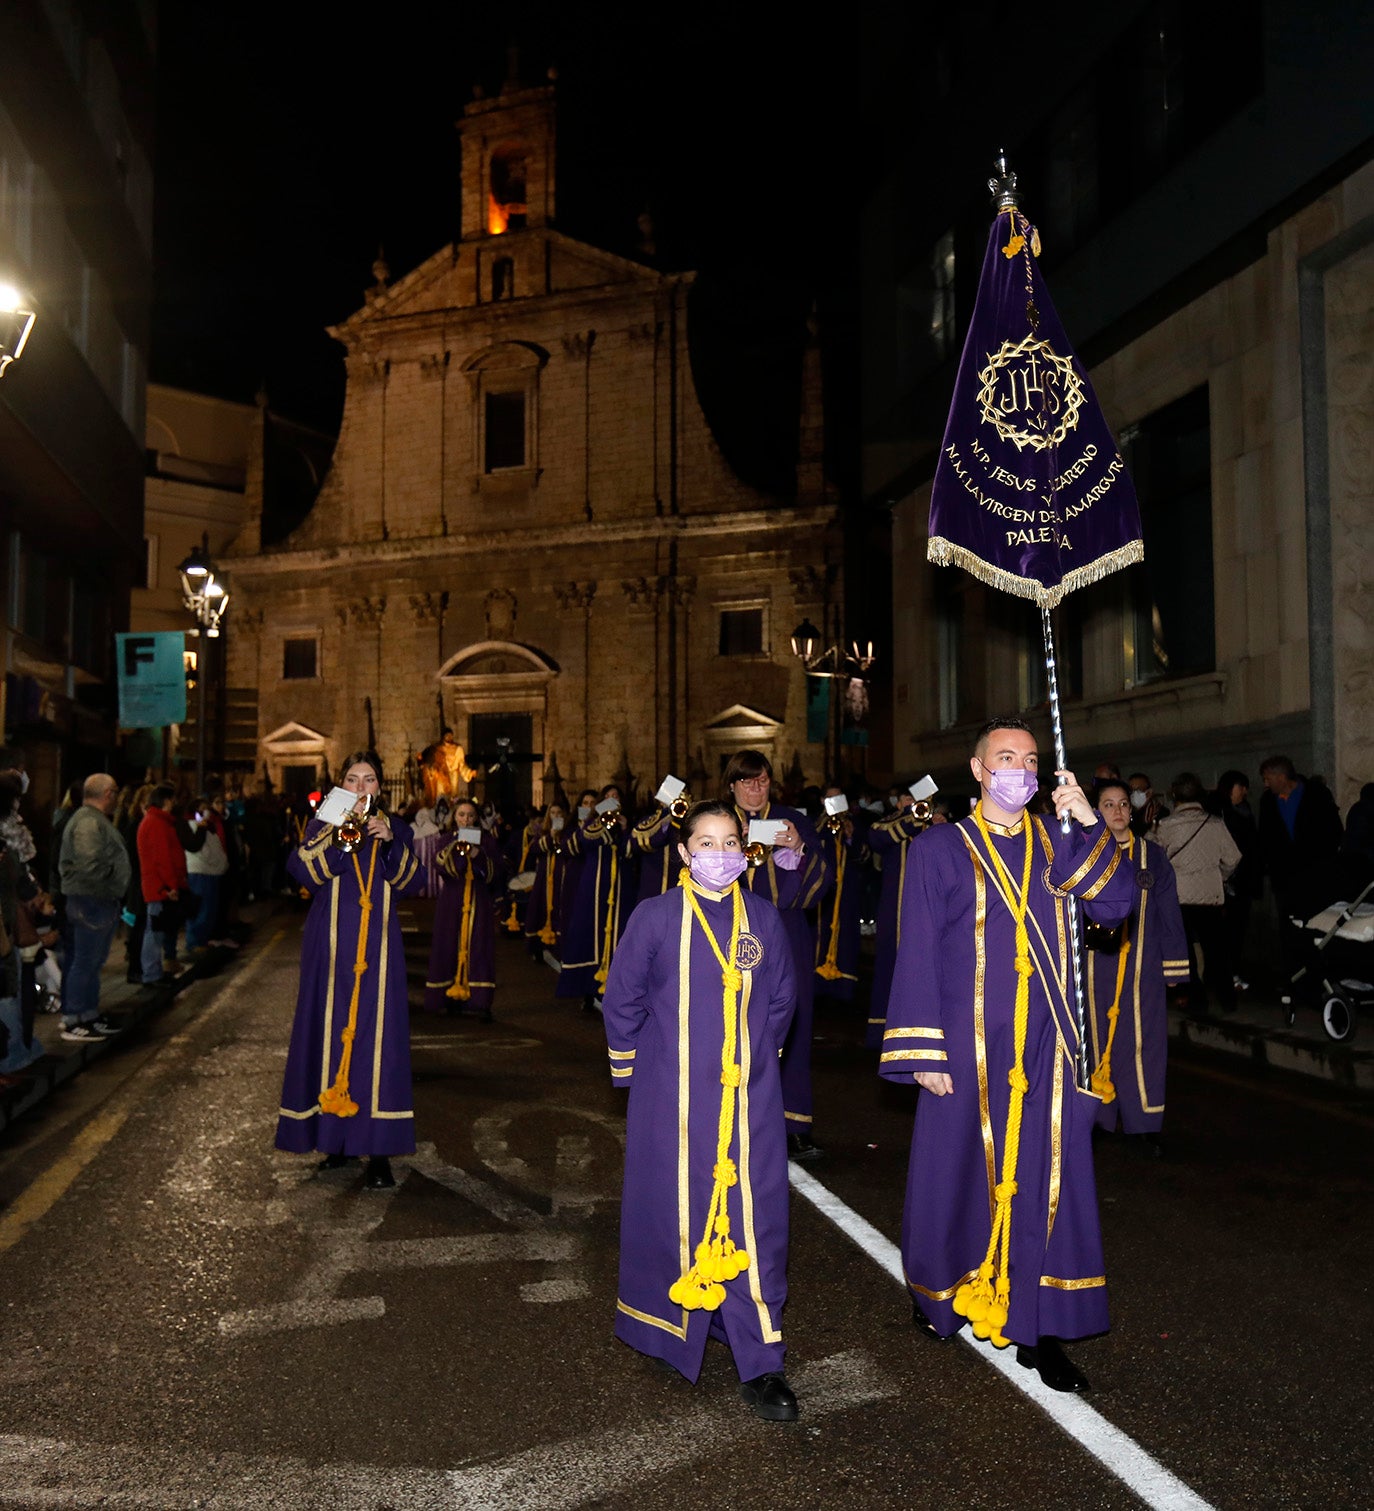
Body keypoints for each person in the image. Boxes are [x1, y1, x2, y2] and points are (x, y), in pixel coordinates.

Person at [881, 718, 1134, 1393]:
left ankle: (1040, 1327)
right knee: (955, 1167)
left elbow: (1116, 905)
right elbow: (919, 948)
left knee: (1049, 1182)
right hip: (965, 1044)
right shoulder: (939, 847)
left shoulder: (1060, 838)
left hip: (1048, 1044)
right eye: (1005, 757)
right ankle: (941, 1291)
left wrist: (1090, 822)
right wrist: (923, 1049)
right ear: (978, 768)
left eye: (1029, 759)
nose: (1018, 769)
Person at [602, 800, 799, 1421]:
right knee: (673, 1212)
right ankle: (671, 1326)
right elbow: (623, 999)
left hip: (748, 1098)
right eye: (706, 843)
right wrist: (638, 1075)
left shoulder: (762, 918)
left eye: (730, 842)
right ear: (685, 853)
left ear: (745, 849)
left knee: (756, 1218)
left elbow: (781, 999)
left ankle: (761, 1359)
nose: (720, 854)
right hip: (671, 1096)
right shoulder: (656, 916)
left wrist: (754, 1060)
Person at [276, 751, 425, 1190]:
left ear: (380, 787)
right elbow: (302, 870)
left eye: (369, 779)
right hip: (330, 946)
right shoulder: (323, 823)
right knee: (328, 1033)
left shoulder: (395, 827)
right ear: (341, 786)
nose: (361, 787)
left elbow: (413, 883)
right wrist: (340, 836)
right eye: (353, 779)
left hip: (379, 949)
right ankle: (335, 1142)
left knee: (379, 1043)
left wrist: (390, 842)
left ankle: (378, 1153)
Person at [726, 750, 828, 1161]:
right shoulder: (718, 818)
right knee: (730, 1023)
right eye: (746, 780)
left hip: (786, 934)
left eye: (763, 780)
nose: (755, 788)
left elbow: (823, 880)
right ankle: (730, 1119)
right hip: (729, 931)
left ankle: (794, 1124)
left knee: (794, 1026)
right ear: (731, 785)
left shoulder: (791, 819)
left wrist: (799, 848)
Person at [1087, 782, 1190, 1152]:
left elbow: (1169, 912)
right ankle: (1098, 1117)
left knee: (1144, 1044)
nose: (1117, 811)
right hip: (1095, 967)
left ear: (1131, 812)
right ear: (1095, 812)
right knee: (1095, 1041)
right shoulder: (1084, 856)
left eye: (1123, 805)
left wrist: (1174, 968)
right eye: (1108, 804)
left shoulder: (1152, 857)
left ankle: (1144, 1123)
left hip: (1142, 969)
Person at [1152, 774, 1240, 1014]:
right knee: (1216, 950)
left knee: (1186, 951)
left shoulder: (1165, 826)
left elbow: (1153, 859)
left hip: (1177, 897)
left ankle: (1196, 1000)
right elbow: (1233, 858)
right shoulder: (1215, 823)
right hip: (1210, 896)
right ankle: (1227, 999)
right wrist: (1219, 876)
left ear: (1174, 796)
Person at [56, 774, 131, 1043]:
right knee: (85, 960)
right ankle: (74, 1017)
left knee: (91, 960)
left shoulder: (91, 819)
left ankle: (88, 1014)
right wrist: (112, 882)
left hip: (93, 899)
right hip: (91, 900)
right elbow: (89, 866)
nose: (118, 798)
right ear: (108, 793)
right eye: (116, 792)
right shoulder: (89, 822)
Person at [864, 789, 936, 1050]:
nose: (914, 803)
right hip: (894, 906)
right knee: (891, 964)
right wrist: (911, 815)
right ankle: (885, 1030)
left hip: (929, 904)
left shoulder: (933, 824)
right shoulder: (886, 823)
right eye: (908, 799)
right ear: (898, 804)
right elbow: (876, 837)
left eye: (918, 801)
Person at [424, 798, 507, 1021]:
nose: (466, 819)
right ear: (455, 817)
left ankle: (479, 1000)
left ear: (476, 818)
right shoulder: (445, 840)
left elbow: (496, 873)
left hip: (479, 900)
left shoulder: (487, 840)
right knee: (448, 945)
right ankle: (448, 997)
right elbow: (441, 866)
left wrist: (478, 856)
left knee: (479, 947)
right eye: (461, 815)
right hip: (452, 900)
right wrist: (459, 852)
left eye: (470, 815)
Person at [556, 784, 635, 1012]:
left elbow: (631, 851)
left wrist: (625, 828)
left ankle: (617, 990)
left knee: (620, 934)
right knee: (590, 934)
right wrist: (602, 821)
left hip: (620, 888)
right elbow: (584, 841)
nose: (612, 799)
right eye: (608, 797)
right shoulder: (592, 823)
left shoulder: (628, 824)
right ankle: (588, 989)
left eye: (616, 796)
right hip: (594, 887)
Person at [1256, 755, 1344, 919]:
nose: (1266, 784)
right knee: (1287, 920)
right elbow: (1265, 836)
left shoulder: (1316, 794)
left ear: (1281, 777)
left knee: (1316, 919)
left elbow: (1333, 830)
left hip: (1315, 873)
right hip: (1284, 877)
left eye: (1268, 779)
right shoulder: (1267, 801)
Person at [813, 787, 868, 1005]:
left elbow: (864, 855)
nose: (834, 801)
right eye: (830, 798)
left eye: (838, 797)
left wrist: (851, 837)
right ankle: (818, 985)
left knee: (846, 934)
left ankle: (843, 987)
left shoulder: (853, 823)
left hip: (848, 889)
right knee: (820, 933)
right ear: (822, 800)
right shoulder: (815, 824)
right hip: (823, 890)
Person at [1212, 769, 1262, 991]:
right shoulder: (1220, 813)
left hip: (1243, 882)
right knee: (1227, 932)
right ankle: (1226, 974)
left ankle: (1232, 972)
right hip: (1225, 882)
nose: (1244, 792)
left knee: (1237, 930)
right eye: (1241, 787)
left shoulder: (1244, 811)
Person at [137, 785, 189, 986]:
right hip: (159, 888)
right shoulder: (156, 823)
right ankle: (151, 973)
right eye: (172, 800)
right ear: (166, 801)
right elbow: (162, 858)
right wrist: (171, 885)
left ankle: (155, 971)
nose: (174, 804)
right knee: (155, 932)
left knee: (157, 931)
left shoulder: (157, 821)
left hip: (159, 886)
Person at [524, 800, 571, 956]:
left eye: (559, 813)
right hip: (544, 878)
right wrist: (550, 837)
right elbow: (533, 849)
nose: (556, 816)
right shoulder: (543, 833)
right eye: (553, 813)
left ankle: (558, 947)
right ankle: (540, 947)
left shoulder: (569, 833)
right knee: (541, 907)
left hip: (562, 877)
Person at [1127, 772, 1167, 836]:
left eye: (1139, 790)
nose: (1134, 794)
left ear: (1149, 792)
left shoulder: (1161, 813)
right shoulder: (1127, 814)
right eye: (1131, 790)